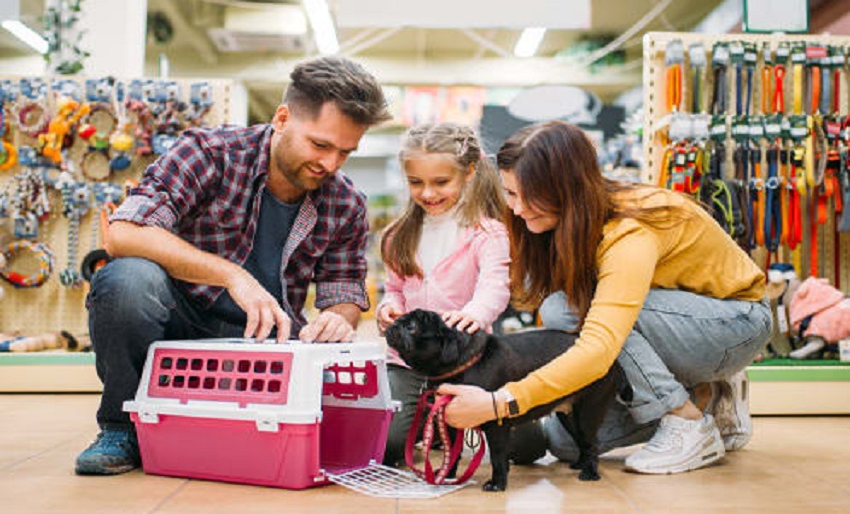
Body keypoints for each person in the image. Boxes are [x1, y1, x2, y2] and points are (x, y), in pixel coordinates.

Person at [75, 56, 390, 476]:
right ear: (282, 119)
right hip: (176, 322)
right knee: (126, 280)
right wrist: (231, 275)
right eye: (320, 145)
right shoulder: (209, 153)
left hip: (262, 343)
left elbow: (345, 293)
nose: (331, 164)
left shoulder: (346, 202)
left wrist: (336, 319)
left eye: (345, 153)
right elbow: (124, 233)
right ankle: (121, 426)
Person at [438, 120, 771, 475]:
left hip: (736, 323)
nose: (516, 208)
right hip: (676, 328)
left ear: (566, 187)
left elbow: (600, 347)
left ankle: (685, 420)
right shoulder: (565, 224)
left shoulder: (629, 232)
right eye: (510, 193)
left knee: (572, 311)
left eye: (526, 195)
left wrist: (500, 403)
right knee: (567, 442)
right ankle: (706, 398)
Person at [375, 123, 510, 467]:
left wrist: (476, 314)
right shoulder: (398, 235)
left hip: (468, 360)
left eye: (440, 182)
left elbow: (495, 285)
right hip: (407, 361)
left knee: (524, 447)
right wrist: (389, 308)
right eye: (416, 182)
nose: (428, 194)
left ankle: (441, 420)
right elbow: (393, 290)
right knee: (387, 446)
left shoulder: (487, 232)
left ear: (469, 172)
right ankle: (427, 421)